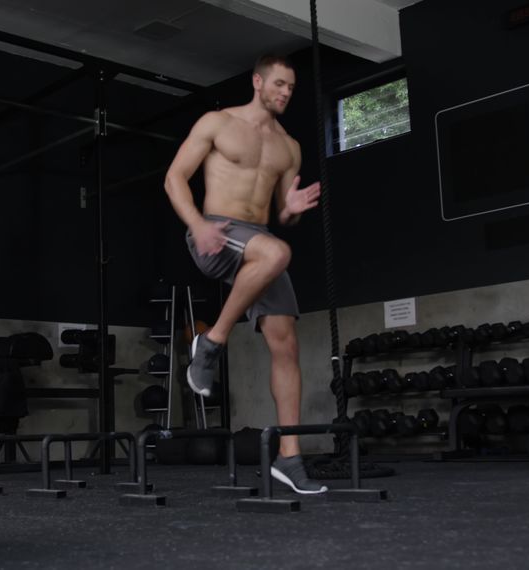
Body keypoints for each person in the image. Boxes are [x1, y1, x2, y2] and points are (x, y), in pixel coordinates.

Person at [163, 54, 325, 495]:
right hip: (216, 231)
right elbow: (175, 177)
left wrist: (289, 211)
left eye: (290, 87)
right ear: (257, 82)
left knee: (286, 343)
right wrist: (196, 224)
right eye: (278, 84)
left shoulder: (289, 147)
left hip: (259, 248)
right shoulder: (218, 123)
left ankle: (289, 459)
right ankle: (211, 343)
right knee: (277, 252)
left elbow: (279, 214)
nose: (285, 92)